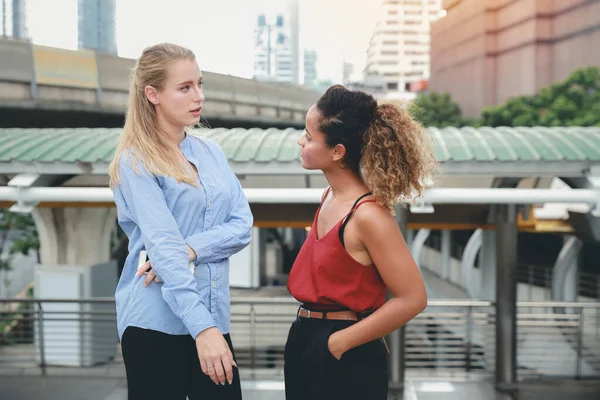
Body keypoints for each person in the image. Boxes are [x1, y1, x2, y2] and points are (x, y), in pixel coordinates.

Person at [108, 43, 253, 400]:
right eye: (185, 87)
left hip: (213, 319)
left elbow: (242, 225)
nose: (198, 96)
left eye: (199, 84)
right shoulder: (136, 161)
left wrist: (191, 248)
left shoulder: (211, 152)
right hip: (156, 323)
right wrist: (203, 329)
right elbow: (162, 247)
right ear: (152, 94)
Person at [284, 85, 435, 400]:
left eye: (309, 136)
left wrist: (338, 344)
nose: (301, 140)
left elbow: (413, 297)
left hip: (346, 350)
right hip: (305, 336)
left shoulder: (368, 216)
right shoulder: (328, 197)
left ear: (338, 151)